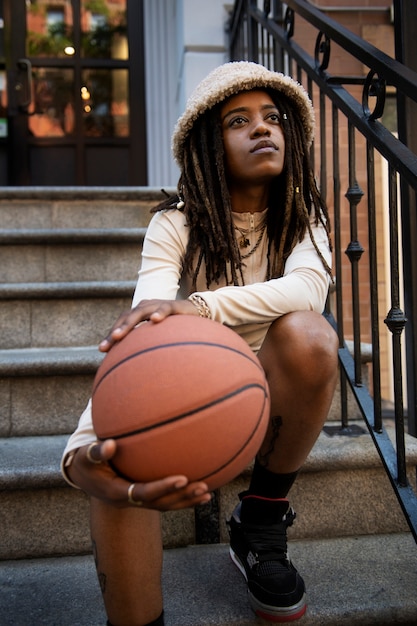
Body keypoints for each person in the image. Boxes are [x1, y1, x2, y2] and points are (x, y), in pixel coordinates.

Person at [61, 61, 339, 625]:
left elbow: (310, 290)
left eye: (273, 117)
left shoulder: (304, 216)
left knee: (312, 335)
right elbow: (145, 333)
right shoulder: (176, 225)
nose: (263, 128)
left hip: (267, 394)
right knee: (120, 466)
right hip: (191, 393)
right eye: (240, 120)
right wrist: (89, 447)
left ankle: (259, 519)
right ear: (210, 146)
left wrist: (201, 304)